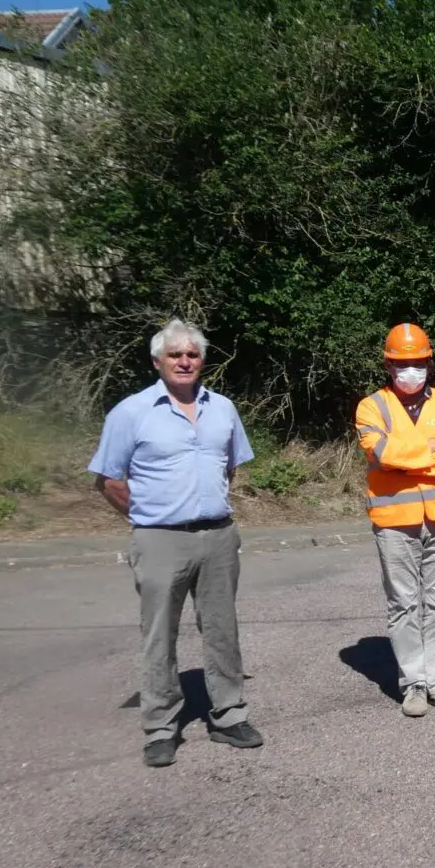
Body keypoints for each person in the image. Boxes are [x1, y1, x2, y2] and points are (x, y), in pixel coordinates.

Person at [88, 318, 262, 768]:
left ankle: (229, 715)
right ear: (157, 361)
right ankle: (161, 728)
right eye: (175, 354)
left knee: (222, 629)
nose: (184, 361)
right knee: (159, 634)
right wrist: (149, 517)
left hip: (218, 535)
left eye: (192, 354)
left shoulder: (223, 408)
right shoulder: (130, 412)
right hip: (159, 539)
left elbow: (229, 467)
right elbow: (108, 480)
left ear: (202, 360)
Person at [356, 324, 435, 718]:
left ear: (429, 362)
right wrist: (433, 451)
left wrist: (406, 457)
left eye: (419, 362)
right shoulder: (371, 407)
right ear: (389, 365)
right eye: (403, 363)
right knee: (404, 604)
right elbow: (380, 452)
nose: (412, 369)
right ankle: (414, 685)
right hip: (395, 521)